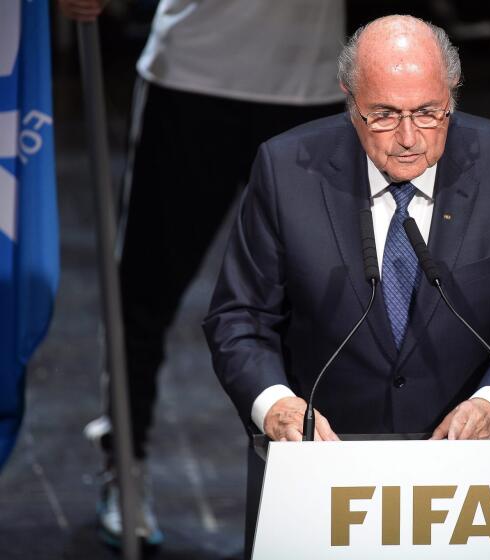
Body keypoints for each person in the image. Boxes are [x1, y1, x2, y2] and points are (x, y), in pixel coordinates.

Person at [202, 14, 490, 552]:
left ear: (453, 95)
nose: (406, 139)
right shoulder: (285, 169)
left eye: (427, 113)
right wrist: (275, 403)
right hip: (322, 472)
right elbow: (239, 317)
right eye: (383, 115)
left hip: (463, 478)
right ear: (350, 100)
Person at [59, 0, 347, 549]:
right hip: (193, 79)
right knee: (145, 290)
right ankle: (126, 460)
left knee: (324, 302)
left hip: (312, 82)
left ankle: (309, 484)